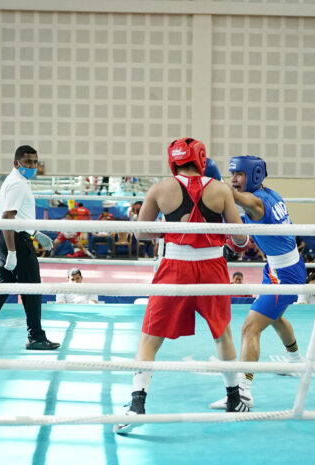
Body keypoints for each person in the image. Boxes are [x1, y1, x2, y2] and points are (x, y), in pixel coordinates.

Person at [114, 137, 249, 434]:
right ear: (201, 158)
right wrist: (226, 236)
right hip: (213, 267)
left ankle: (137, 404)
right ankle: (233, 398)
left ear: (173, 159)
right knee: (222, 333)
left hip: (174, 266)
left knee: (150, 338)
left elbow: (142, 235)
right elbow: (241, 241)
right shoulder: (221, 189)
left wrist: (171, 229)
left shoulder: (160, 189)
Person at [209, 155, 307, 411]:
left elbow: (233, 196)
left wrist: (209, 180)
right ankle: (295, 359)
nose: (234, 180)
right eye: (232, 175)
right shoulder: (270, 192)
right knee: (273, 317)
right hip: (280, 267)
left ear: (252, 176)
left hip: (283, 274)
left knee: (250, 328)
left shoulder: (256, 201)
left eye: (239, 175)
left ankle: (244, 392)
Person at [0, 145, 60, 355]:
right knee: (32, 289)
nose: (32, 166)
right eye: (27, 162)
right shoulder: (17, 184)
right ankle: (36, 337)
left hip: (12, 237)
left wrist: (34, 232)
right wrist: (13, 252)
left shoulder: (19, 181)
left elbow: (18, 218)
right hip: (13, 240)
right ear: (17, 163)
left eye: (35, 162)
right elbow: (8, 218)